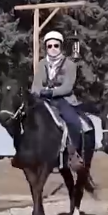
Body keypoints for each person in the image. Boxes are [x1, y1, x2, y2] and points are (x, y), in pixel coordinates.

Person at [30, 31, 85, 171]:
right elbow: (35, 85)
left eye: (56, 45)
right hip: (43, 98)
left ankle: (73, 153)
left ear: (61, 47)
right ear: (46, 48)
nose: (53, 49)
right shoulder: (42, 64)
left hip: (63, 99)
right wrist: (40, 92)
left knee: (73, 121)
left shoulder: (70, 65)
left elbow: (67, 87)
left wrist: (52, 92)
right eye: (49, 46)